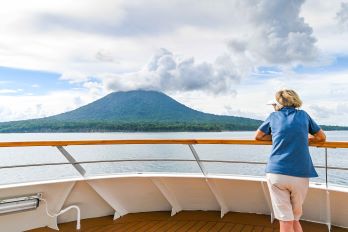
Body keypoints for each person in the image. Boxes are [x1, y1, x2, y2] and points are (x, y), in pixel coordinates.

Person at [255, 89, 326, 232]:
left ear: (279, 103)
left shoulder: (273, 116)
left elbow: (258, 136)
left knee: (286, 220)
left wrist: (276, 137)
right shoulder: (304, 116)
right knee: (294, 218)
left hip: (276, 173)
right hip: (300, 174)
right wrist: (304, 138)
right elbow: (321, 137)